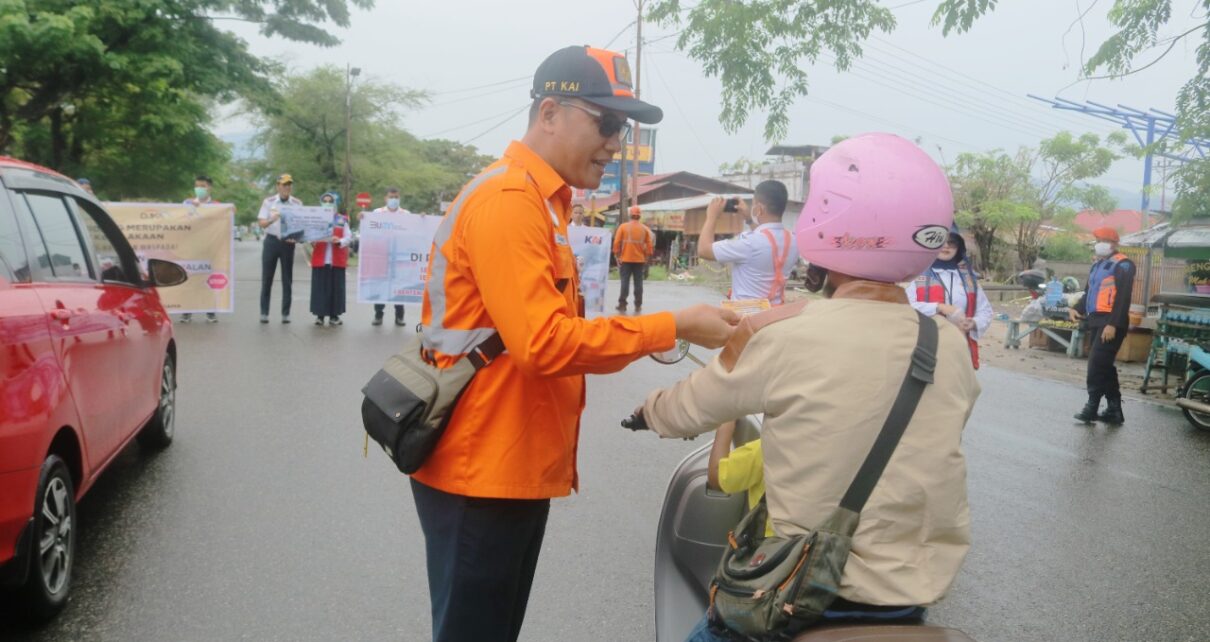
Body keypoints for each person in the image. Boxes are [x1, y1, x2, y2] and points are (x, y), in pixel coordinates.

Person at [409, 45, 737, 642]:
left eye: (623, 127)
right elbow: (544, 344)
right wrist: (676, 325)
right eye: (607, 123)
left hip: (505, 456)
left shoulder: (541, 201)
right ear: (551, 113)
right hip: (479, 464)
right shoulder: (510, 202)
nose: (616, 142)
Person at [635, 133, 979, 641]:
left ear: (827, 220)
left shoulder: (783, 332)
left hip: (804, 593)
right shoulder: (945, 342)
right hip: (905, 603)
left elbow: (689, 408)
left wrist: (649, 412)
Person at [1069, 227, 1135, 424]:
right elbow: (1089, 291)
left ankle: (1092, 406)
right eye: (1097, 239)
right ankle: (1114, 410)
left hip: (1112, 323)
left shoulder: (1123, 265)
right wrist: (1076, 308)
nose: (1098, 243)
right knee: (1104, 365)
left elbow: (1123, 298)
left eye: (1102, 240)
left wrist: (1112, 324)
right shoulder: (1098, 264)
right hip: (1096, 321)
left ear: (1114, 243)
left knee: (1096, 364)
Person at [906, 226, 993, 369]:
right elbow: (906, 307)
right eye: (941, 241)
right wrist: (939, 307)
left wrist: (973, 323)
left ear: (959, 247)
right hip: (924, 346)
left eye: (952, 242)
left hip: (959, 346)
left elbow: (985, 311)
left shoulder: (969, 279)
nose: (946, 246)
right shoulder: (916, 275)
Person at [698, 181, 798, 305]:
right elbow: (767, 239)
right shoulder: (794, 241)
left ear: (759, 209)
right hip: (775, 313)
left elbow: (703, 250)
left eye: (754, 204)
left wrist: (711, 217)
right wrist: (749, 219)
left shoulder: (748, 243)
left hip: (746, 315)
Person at [257, 174, 302, 324]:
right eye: (284, 184)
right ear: (278, 186)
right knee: (267, 279)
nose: (287, 187)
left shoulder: (297, 203)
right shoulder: (269, 202)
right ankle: (264, 312)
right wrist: (272, 219)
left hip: (288, 243)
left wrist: (296, 236)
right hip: (271, 241)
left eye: (289, 184)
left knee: (287, 279)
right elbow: (261, 223)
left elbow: (301, 226)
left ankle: (286, 313)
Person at [361, 187, 408, 326]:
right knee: (380, 284)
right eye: (391, 197)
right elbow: (369, 227)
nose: (393, 199)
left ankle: (399, 316)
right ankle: (378, 315)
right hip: (381, 255)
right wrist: (362, 218)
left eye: (396, 197)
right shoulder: (377, 213)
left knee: (398, 285)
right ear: (385, 198)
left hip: (399, 255)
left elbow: (416, 228)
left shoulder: (406, 214)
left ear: (399, 198)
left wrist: (423, 218)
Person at [181, 174, 219, 323]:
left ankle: (210, 312)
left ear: (210, 187)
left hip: (210, 249)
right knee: (188, 278)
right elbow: (180, 219)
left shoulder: (217, 206)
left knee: (209, 279)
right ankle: (186, 312)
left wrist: (232, 210)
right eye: (197, 186)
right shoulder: (187, 202)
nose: (199, 189)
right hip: (190, 248)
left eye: (202, 186)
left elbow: (226, 219)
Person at [310, 192, 352, 326]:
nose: (327, 203)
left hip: (336, 260)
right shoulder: (315, 218)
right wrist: (312, 240)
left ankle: (334, 316)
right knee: (320, 289)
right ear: (321, 203)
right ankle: (320, 316)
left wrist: (339, 241)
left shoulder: (342, 219)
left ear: (334, 204)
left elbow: (349, 237)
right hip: (320, 259)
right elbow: (308, 235)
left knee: (336, 289)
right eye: (325, 200)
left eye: (330, 201)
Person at [613, 205, 653, 312]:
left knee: (624, 282)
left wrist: (617, 255)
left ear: (631, 215)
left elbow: (616, 242)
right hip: (639, 261)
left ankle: (622, 304)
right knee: (638, 283)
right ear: (639, 216)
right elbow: (649, 246)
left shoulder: (623, 227)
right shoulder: (645, 229)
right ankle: (638, 305)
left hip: (625, 259)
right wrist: (647, 257)